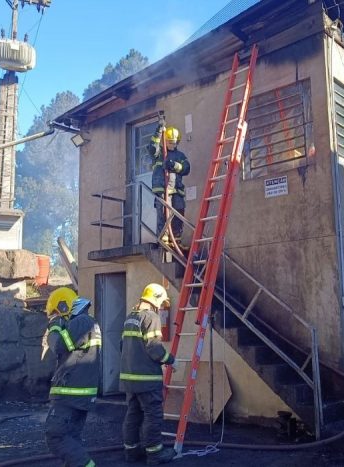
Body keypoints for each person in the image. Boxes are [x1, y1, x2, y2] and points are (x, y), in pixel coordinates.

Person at [120, 283, 176, 465]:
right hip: (147, 380)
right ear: (157, 299)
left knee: (133, 415)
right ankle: (155, 454)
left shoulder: (130, 317)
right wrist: (169, 359)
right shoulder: (151, 317)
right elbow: (154, 347)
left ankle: (131, 452)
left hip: (129, 379)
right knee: (153, 416)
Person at [44, 295, 102, 467]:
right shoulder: (88, 322)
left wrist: (54, 328)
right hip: (79, 393)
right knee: (71, 438)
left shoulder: (81, 322)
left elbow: (58, 346)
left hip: (70, 392)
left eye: (58, 313)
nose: (60, 318)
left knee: (56, 437)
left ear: (66, 307)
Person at [148, 123, 190, 245]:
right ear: (164, 141)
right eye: (170, 142)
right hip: (162, 188)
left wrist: (176, 166)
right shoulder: (159, 153)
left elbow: (187, 168)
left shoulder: (180, 155)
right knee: (164, 212)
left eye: (174, 142)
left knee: (179, 211)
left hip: (177, 190)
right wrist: (158, 132)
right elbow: (152, 148)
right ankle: (163, 237)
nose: (172, 144)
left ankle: (176, 239)